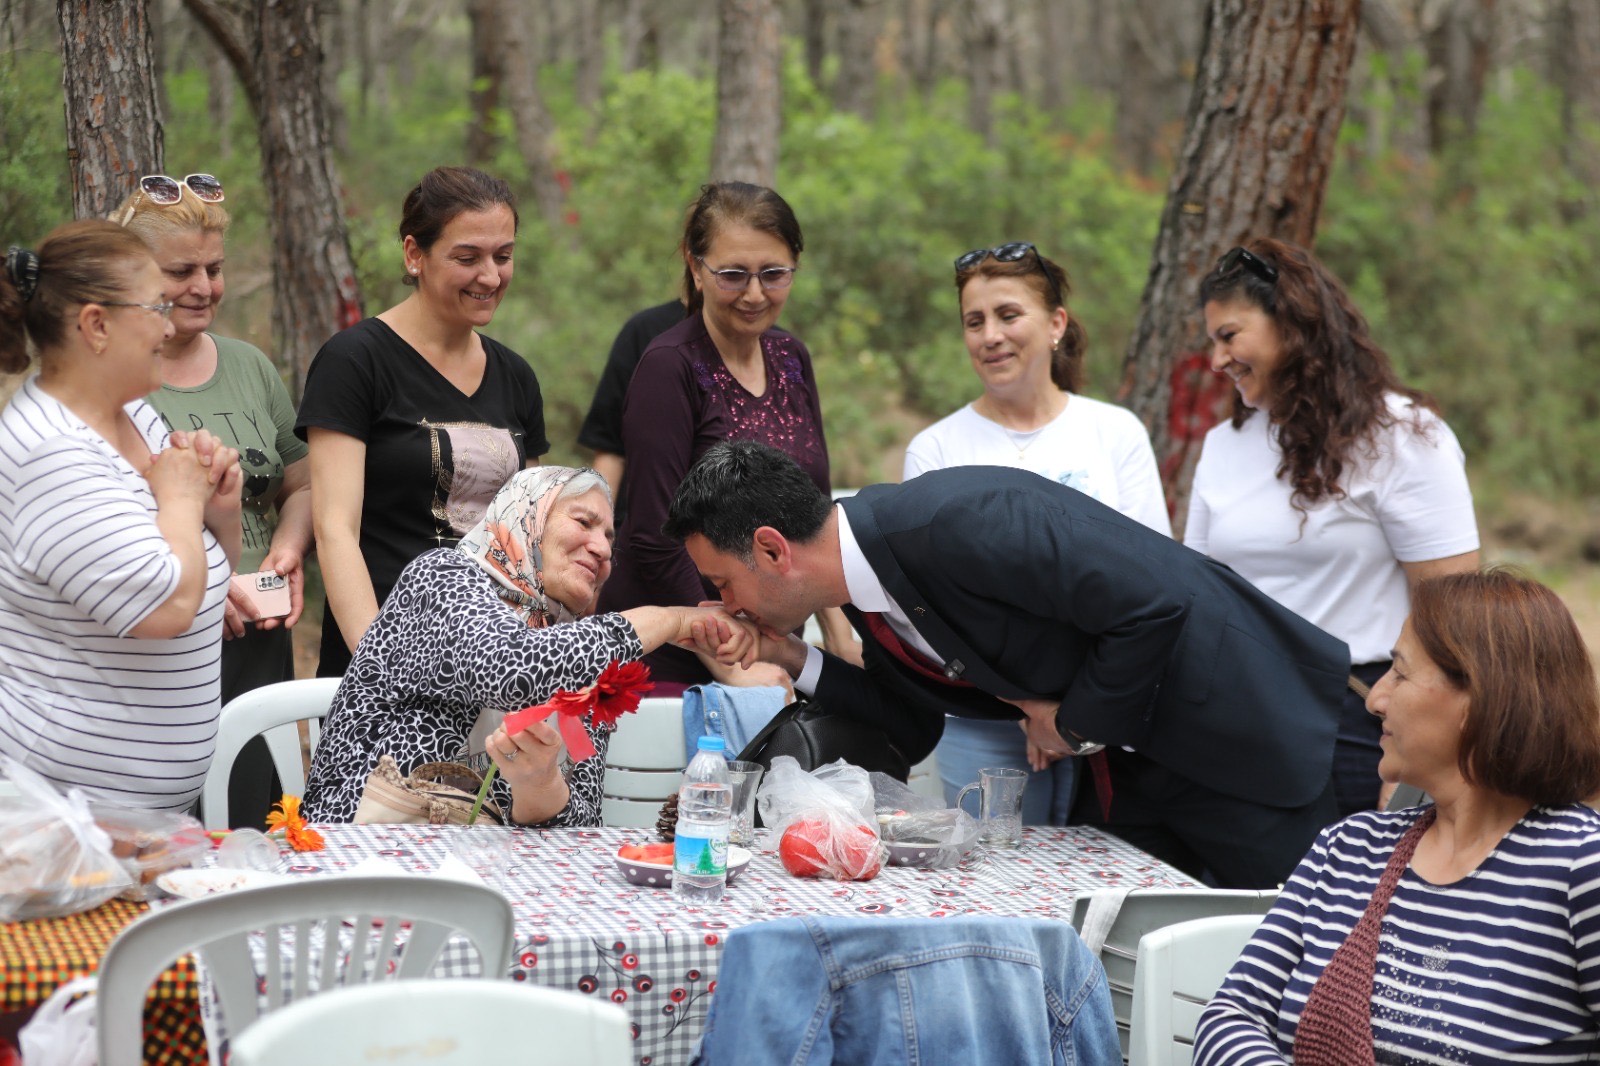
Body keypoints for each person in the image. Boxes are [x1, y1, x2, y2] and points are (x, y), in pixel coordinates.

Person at [665, 441, 1352, 889]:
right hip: (1133, 777)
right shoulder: (868, 588)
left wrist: (1073, 726)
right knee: (1137, 979)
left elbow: (1155, 604)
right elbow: (911, 725)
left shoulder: (961, 518)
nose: (728, 604)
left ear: (772, 549)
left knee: (1289, 979)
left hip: (1247, 742)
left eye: (723, 582)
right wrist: (788, 654)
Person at [1194, 569, 1600, 1064]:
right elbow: (1231, 1015)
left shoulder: (1581, 867)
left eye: (1400, 674)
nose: (1375, 699)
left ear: (1480, 699)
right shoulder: (1349, 848)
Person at [1187, 240, 1478, 820]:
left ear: (1292, 325)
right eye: (1212, 341)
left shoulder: (1402, 436)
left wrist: (1419, 758)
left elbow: (1454, 612)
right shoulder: (1224, 444)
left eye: (1229, 336)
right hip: (1233, 719)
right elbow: (1195, 591)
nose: (1217, 360)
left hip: (1355, 723)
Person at [302, 466, 754, 825]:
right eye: (584, 522)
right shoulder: (441, 578)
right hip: (358, 851)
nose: (602, 549)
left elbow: (581, 821)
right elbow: (514, 669)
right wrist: (671, 619)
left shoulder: (582, 655)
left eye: (610, 540)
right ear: (527, 516)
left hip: (482, 879)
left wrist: (539, 785)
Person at [905, 242, 1169, 827]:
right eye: (974, 321)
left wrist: (1077, 710)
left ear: (1055, 324)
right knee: (991, 870)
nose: (990, 336)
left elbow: (1155, 577)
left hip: (1113, 713)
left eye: (1008, 315)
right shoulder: (936, 450)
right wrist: (1028, 705)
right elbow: (931, 608)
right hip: (985, 718)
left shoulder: (1115, 432)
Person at [0, 222, 240, 810]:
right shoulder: (52, 454)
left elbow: (205, 573)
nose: (169, 325)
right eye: (156, 307)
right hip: (58, 813)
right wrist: (183, 498)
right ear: (96, 325)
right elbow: (168, 607)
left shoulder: (133, 415)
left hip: (129, 819)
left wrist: (220, 502)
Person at [597, 181, 856, 694]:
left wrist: (838, 637)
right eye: (734, 275)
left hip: (771, 646)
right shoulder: (669, 367)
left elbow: (816, 516)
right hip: (677, 654)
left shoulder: (791, 358)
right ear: (696, 269)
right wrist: (730, 660)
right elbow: (652, 535)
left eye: (774, 274)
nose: (755, 294)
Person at [114, 172, 313, 827]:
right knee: (174, 825)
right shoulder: (116, 378)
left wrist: (289, 548)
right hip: (170, 637)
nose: (203, 287)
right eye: (181, 271)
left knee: (255, 817)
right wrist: (204, 586)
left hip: (261, 627)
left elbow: (303, 481)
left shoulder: (249, 365)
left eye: (215, 269)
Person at [297, 166, 547, 679]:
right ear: (414, 254)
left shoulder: (516, 376)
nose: (490, 277)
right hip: (384, 662)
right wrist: (378, 666)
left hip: (494, 664)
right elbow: (335, 529)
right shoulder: (356, 361)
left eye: (503, 256)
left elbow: (530, 536)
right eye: (467, 258)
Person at [577, 298, 688, 499]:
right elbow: (610, 449)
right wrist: (599, 515)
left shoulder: (755, 342)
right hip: (644, 510)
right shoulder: (647, 330)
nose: (748, 296)